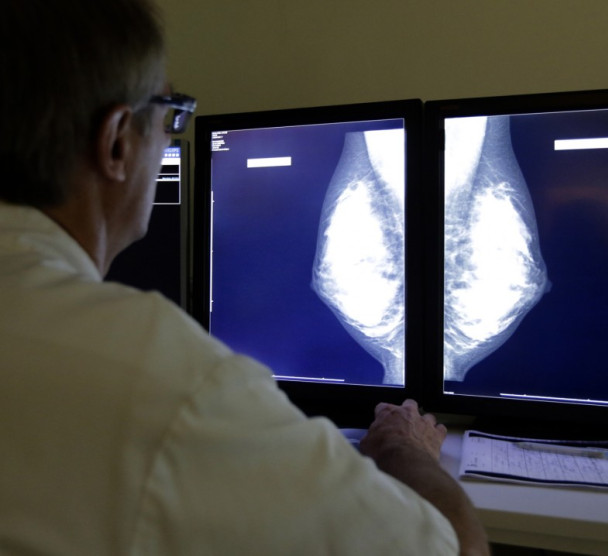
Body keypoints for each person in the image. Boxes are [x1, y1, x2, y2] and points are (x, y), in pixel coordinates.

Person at [0, 1, 489, 554]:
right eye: (169, 116)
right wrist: (406, 450)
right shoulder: (163, 377)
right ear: (116, 142)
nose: (168, 140)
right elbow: (456, 550)